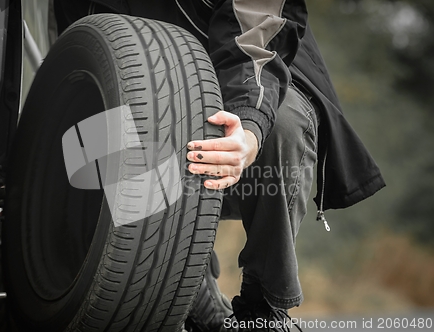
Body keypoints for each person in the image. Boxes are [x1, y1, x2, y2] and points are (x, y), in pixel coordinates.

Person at [53, 0, 386, 331]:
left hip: (255, 74)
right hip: (154, 102)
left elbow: (257, 29)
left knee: (280, 123)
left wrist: (251, 124)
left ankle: (263, 310)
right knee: (104, 138)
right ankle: (185, 289)